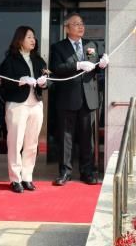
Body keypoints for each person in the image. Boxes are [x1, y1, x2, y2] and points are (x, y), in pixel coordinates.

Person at [49, 12, 107, 186]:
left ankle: (87, 172)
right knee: (66, 137)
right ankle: (65, 172)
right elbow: (57, 68)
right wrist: (77, 65)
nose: (81, 27)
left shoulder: (91, 45)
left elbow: (94, 67)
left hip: (88, 97)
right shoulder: (58, 47)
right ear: (67, 28)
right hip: (67, 97)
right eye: (76, 24)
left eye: (81, 23)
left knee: (87, 138)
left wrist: (101, 65)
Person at [0, 26, 48, 193]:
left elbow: (49, 79)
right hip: (17, 104)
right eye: (29, 37)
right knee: (15, 142)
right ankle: (15, 179)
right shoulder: (10, 59)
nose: (33, 40)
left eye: (33, 37)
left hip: (36, 104)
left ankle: (27, 176)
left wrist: (44, 83)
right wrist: (21, 80)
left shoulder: (39, 60)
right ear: (20, 40)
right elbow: (5, 82)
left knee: (32, 143)